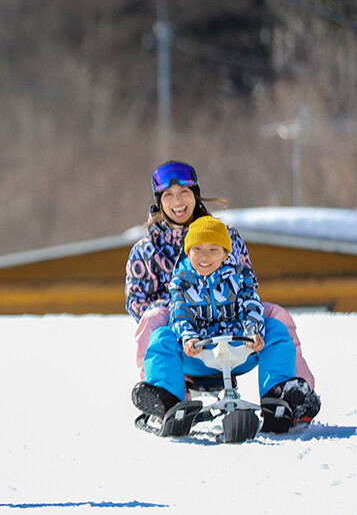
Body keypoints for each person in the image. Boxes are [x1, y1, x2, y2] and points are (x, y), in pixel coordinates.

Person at [125, 160, 316, 389]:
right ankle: (160, 391)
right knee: (152, 320)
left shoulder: (225, 236)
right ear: (159, 201)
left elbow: (246, 279)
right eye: (168, 195)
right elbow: (136, 299)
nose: (177, 201)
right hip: (178, 315)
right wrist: (184, 302)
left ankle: (294, 390)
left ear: (195, 195)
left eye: (184, 192)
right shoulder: (147, 249)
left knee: (277, 317)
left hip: (229, 308)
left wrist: (224, 299)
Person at [132, 215, 320, 434]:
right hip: (198, 355)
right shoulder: (181, 283)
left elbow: (251, 305)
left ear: (225, 254)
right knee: (162, 337)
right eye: (198, 249)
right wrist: (188, 337)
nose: (205, 256)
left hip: (239, 351)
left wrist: (253, 331)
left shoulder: (240, 279)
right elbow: (180, 314)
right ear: (187, 251)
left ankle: (277, 395)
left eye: (213, 250)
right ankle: (166, 400)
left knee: (275, 329)